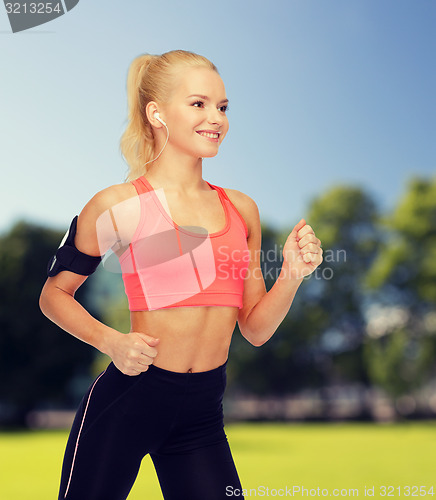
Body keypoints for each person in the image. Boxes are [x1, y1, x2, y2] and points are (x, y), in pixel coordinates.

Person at [39, 49, 323, 500]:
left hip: (202, 415)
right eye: (199, 104)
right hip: (128, 402)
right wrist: (112, 342)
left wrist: (291, 274)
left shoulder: (241, 209)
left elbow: (254, 328)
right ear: (156, 113)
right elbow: (54, 295)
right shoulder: (117, 206)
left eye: (223, 107)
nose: (217, 118)